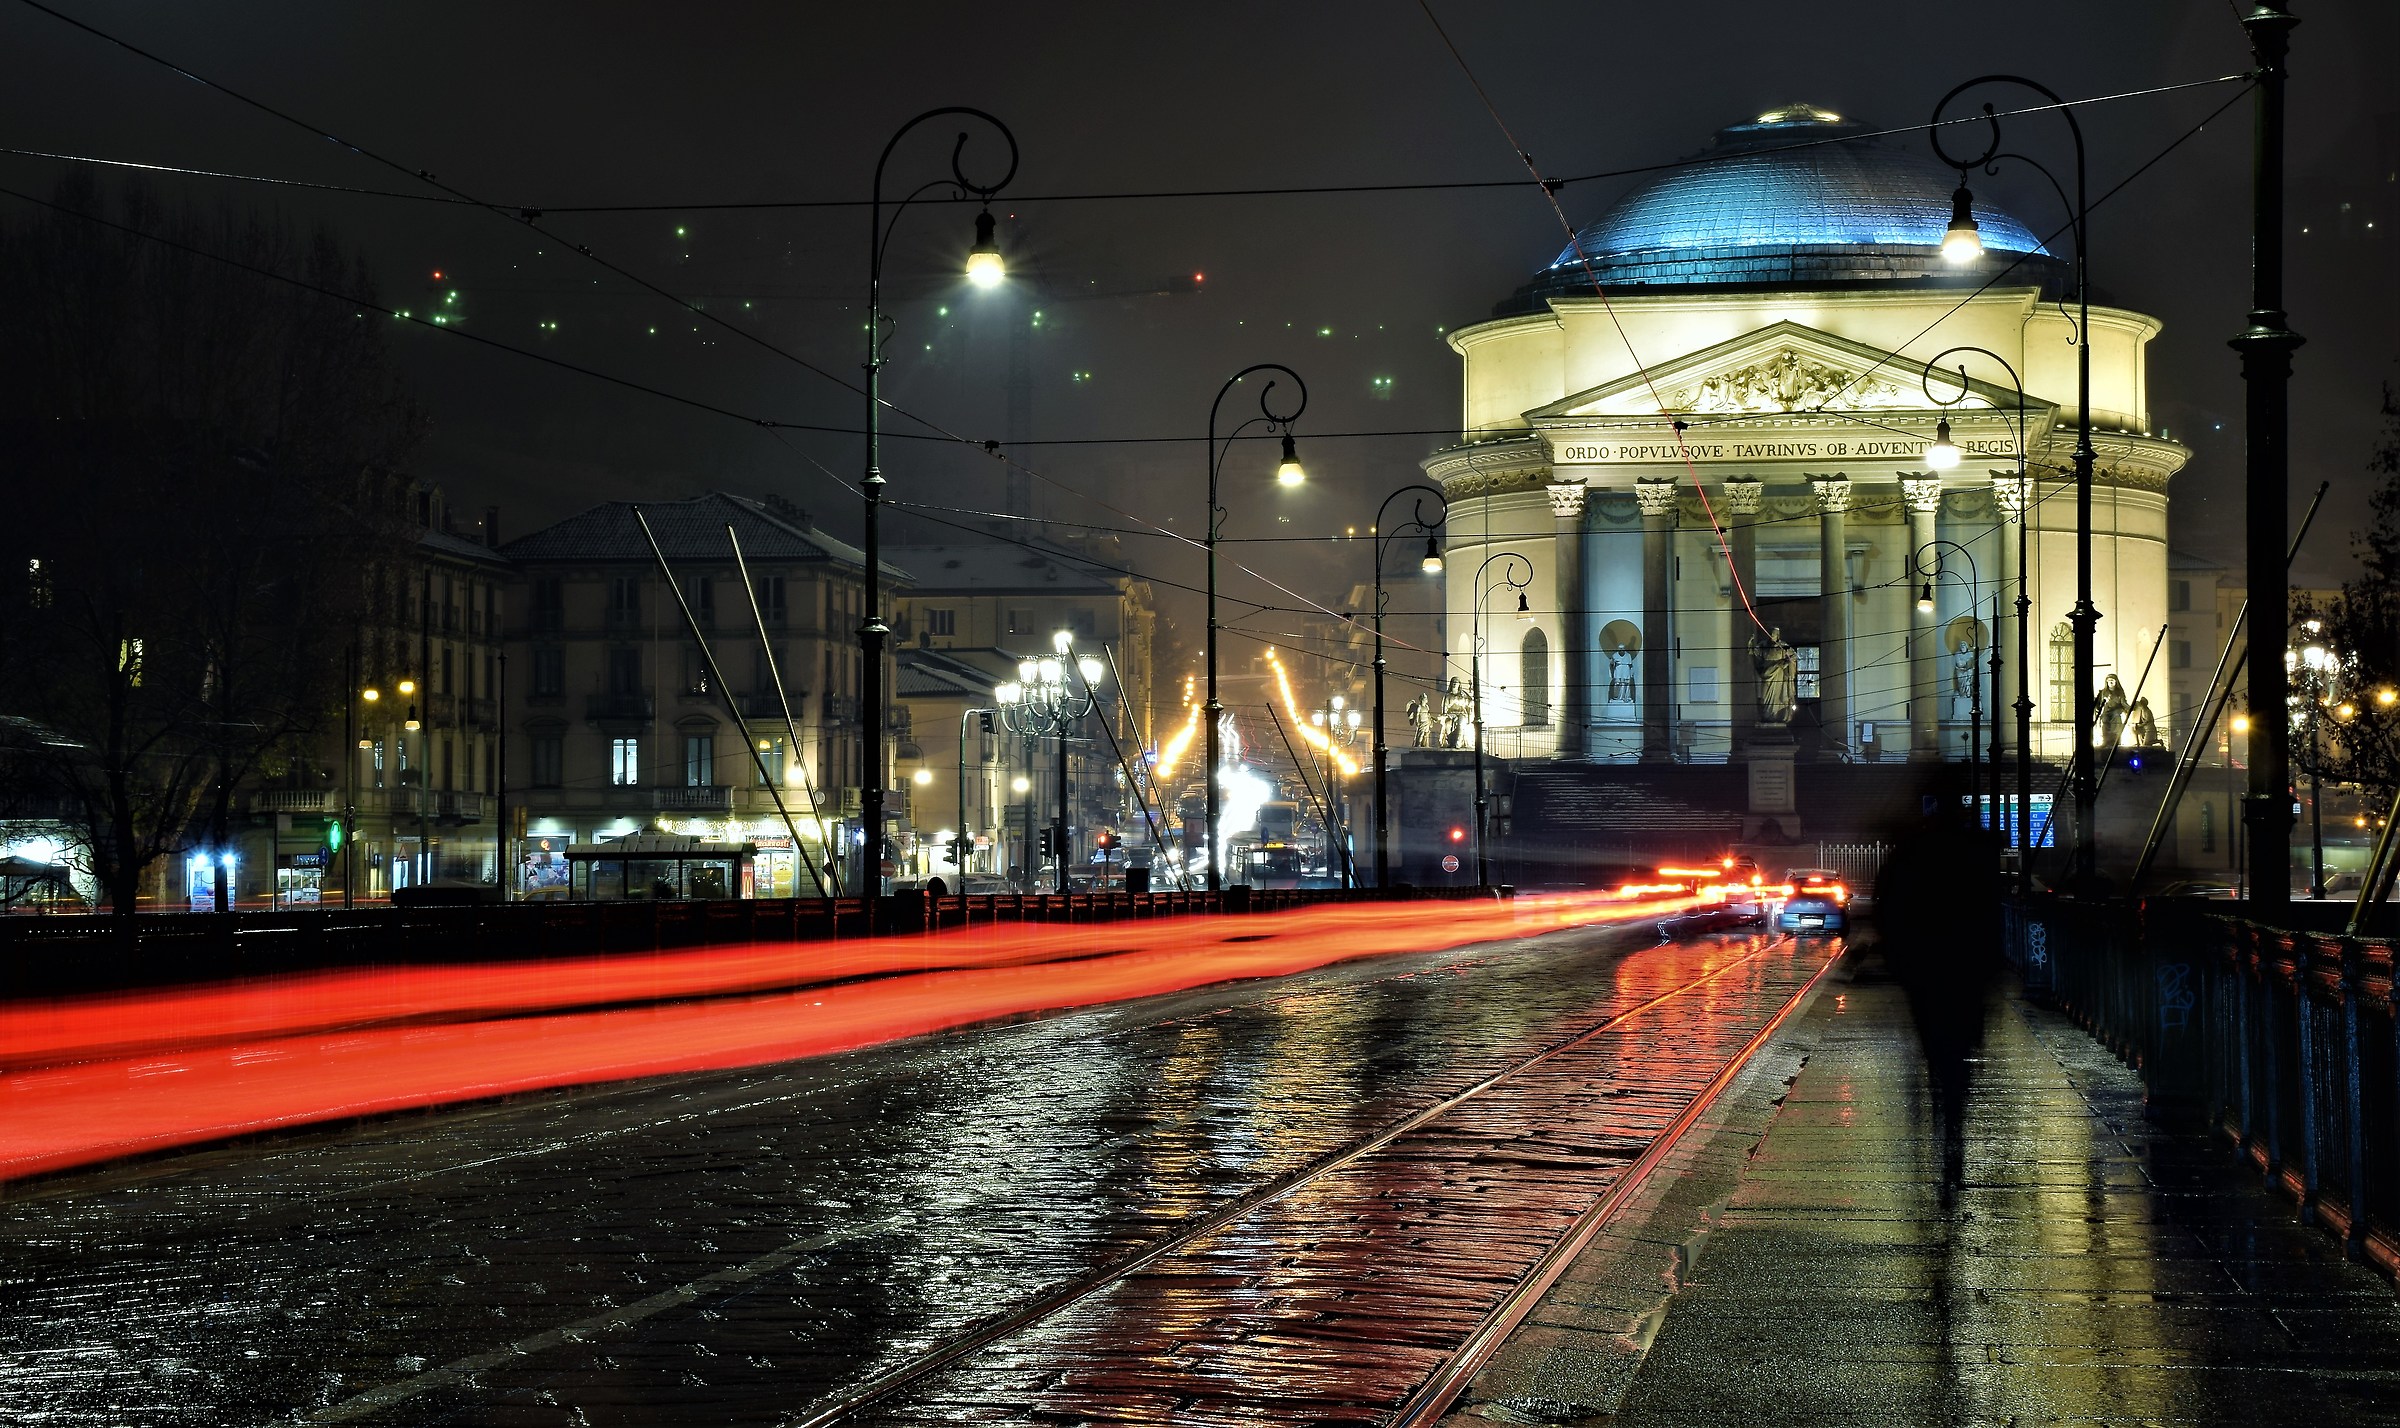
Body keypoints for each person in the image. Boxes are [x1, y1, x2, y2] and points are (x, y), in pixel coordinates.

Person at [1872, 764, 2002, 1211]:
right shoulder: (1977, 847)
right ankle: (1953, 1130)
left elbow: (1888, 908)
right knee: (1958, 1059)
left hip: (1926, 971)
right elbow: (1991, 912)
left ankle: (1945, 1118)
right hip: (1966, 971)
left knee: (1936, 1054)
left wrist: (1897, 960)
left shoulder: (1913, 848)